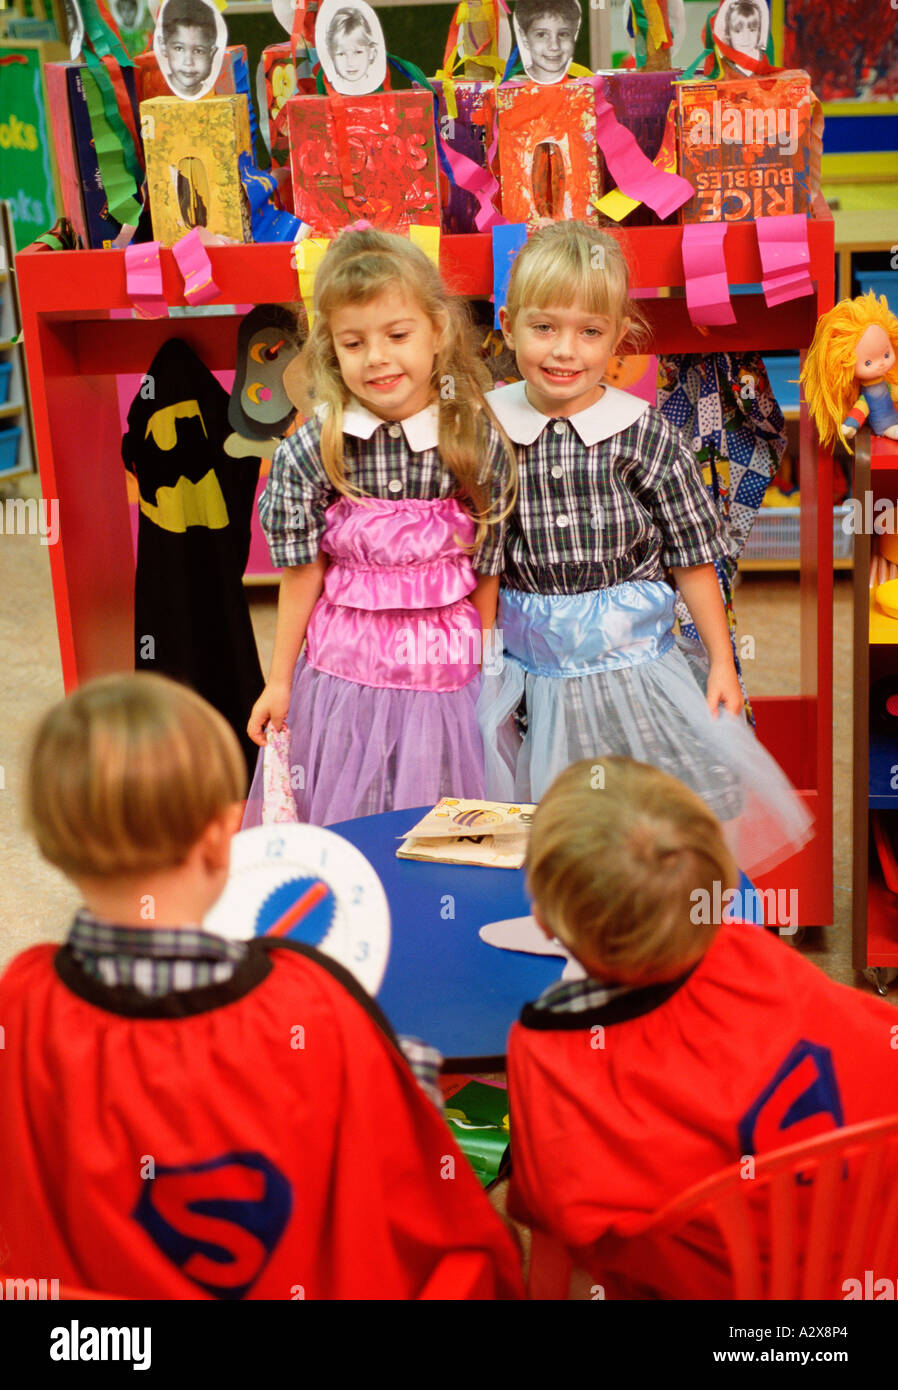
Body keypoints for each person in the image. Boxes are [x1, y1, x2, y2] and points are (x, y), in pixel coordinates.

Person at [0, 673, 524, 1300]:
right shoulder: (309, 1004)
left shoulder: (21, 1000)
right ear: (224, 835)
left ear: (53, 853)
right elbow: (408, 1178)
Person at [479, 220, 811, 880]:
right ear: (508, 324)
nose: (564, 351)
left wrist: (720, 660)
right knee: (551, 822)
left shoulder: (644, 436)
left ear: (619, 339)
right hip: (531, 669)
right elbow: (483, 552)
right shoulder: (489, 429)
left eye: (589, 332)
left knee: (646, 813)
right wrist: (480, 653)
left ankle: (654, 933)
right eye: (544, 328)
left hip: (632, 664)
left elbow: (692, 556)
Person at [507, 757, 898, 1299]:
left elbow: (561, 1216)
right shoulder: (750, 947)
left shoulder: (551, 1052)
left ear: (546, 920)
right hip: (867, 1258)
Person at [244, 228, 516, 826]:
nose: (378, 358)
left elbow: (487, 565)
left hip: (448, 674)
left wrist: (491, 669)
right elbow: (301, 571)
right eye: (354, 342)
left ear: (437, 331)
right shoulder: (315, 448)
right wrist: (279, 682)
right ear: (331, 351)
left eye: (397, 335)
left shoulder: (471, 440)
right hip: (344, 680)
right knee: (348, 823)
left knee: (446, 821)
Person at [157, 0, 219, 100]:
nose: (188, 62)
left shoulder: (217, 97)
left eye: (198, 51)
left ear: (212, 53)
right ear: (163, 45)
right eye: (179, 48)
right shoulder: (154, 91)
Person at [512, 0, 580, 85]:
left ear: (574, 36)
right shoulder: (510, 90)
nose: (554, 46)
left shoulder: (587, 87)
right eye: (541, 35)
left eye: (563, 34)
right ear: (524, 38)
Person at [326, 7, 380, 93]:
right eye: (341, 54)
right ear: (331, 55)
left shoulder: (380, 87)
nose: (350, 62)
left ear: (371, 53)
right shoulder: (326, 87)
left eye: (358, 52)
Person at [720, 0, 765, 65]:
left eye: (752, 30)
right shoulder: (724, 61)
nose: (746, 37)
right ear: (728, 34)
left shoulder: (763, 57)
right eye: (738, 31)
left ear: (759, 33)